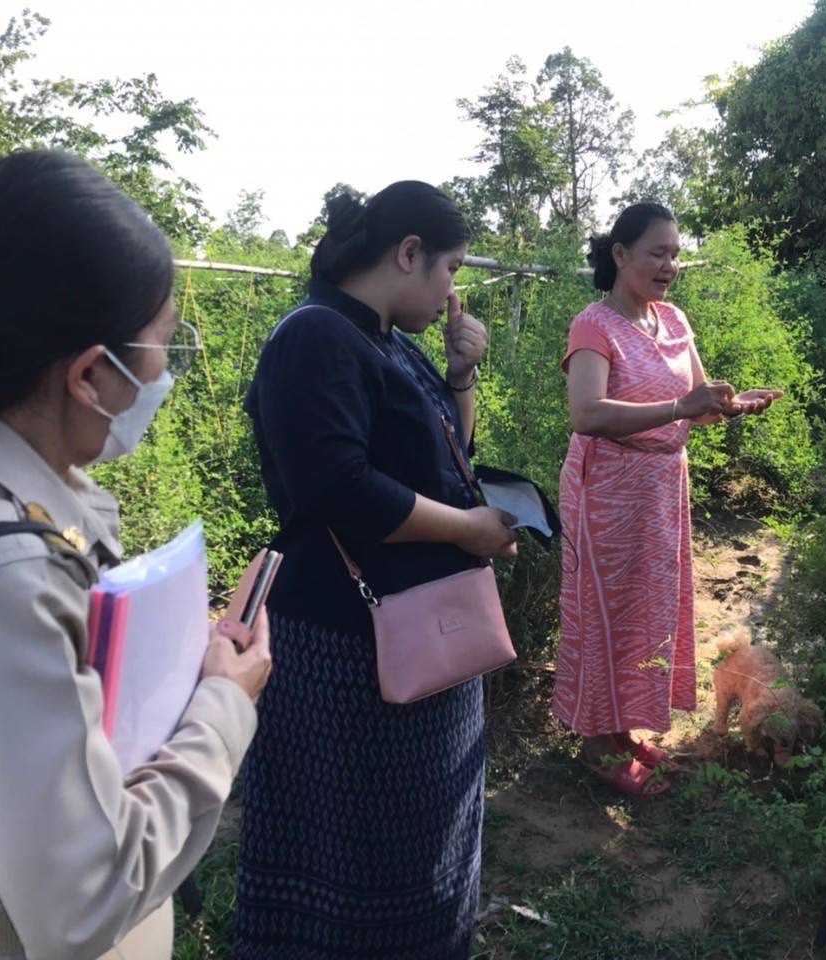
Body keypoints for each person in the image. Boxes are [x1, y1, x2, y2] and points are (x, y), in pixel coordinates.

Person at [0, 150, 272, 960]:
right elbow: (82, 901)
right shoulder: (10, 568)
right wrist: (223, 706)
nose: (166, 371)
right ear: (93, 374)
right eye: (165, 344)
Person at [235, 181, 514, 959]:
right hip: (345, 642)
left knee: (420, 841)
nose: (452, 291)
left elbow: (441, 458)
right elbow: (338, 487)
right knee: (348, 845)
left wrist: (460, 378)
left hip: (412, 625)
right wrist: (469, 531)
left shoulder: (384, 337)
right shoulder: (316, 337)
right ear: (408, 253)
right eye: (450, 267)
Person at [551, 202, 782, 797]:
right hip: (606, 487)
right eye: (658, 252)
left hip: (659, 485)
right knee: (607, 609)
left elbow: (695, 404)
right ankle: (595, 743)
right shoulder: (594, 326)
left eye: (676, 253)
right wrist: (682, 406)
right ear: (621, 255)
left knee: (646, 608)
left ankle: (622, 727)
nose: (670, 265)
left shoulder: (674, 321)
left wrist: (730, 404)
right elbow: (587, 413)